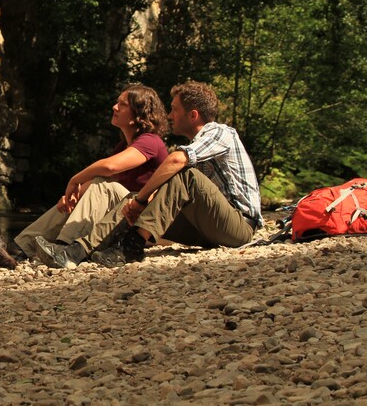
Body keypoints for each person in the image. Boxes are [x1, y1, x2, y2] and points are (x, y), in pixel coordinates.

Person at [86, 81, 264, 267]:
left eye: (174, 110)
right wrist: (141, 201)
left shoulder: (221, 133)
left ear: (193, 115)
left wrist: (141, 201)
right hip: (205, 226)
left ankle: (132, 246)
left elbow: (176, 162)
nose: (169, 116)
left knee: (184, 175)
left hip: (238, 228)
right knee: (133, 197)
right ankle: (80, 248)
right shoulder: (199, 144)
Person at [15, 84, 169, 268]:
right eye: (116, 102)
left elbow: (109, 168)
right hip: (123, 216)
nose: (115, 107)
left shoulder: (151, 141)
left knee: (101, 184)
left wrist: (74, 180)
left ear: (139, 113)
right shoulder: (123, 147)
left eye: (122, 104)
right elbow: (102, 183)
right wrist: (73, 196)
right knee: (78, 195)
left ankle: (66, 248)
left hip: (147, 223)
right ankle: (20, 248)